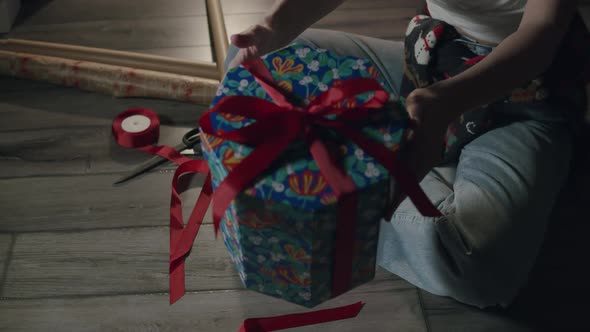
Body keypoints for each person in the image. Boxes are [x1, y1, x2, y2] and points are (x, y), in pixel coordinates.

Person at [224, 0, 586, 308]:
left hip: (523, 92)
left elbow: (543, 31)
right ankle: (380, 173)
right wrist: (273, 27)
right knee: (253, 58)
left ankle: (326, 205)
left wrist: (444, 104)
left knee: (473, 261)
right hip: (428, 64)